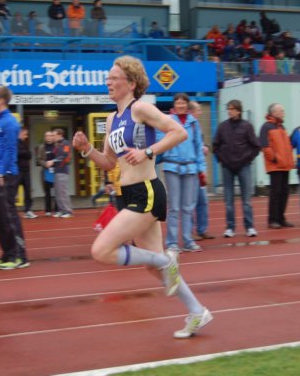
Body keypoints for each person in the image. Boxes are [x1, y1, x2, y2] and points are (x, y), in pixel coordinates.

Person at [72, 55, 212, 338]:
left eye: (114, 78)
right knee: (153, 267)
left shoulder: (141, 108)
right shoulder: (111, 119)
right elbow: (109, 163)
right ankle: (198, 311)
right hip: (126, 193)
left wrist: (148, 151)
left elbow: (178, 132)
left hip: (146, 191)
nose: (108, 82)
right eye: (108, 78)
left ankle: (167, 260)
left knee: (101, 250)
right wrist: (86, 149)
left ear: (131, 83)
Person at [0, 86, 29, 270]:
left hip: (6, 174)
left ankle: (20, 256)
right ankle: (7, 253)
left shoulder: (10, 122)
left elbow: (11, 150)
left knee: (8, 215)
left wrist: (3, 172)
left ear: (1, 100)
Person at [160, 93, 206, 253]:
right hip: (172, 167)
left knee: (188, 207)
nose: (180, 106)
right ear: (174, 105)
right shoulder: (167, 121)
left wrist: (202, 169)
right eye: (178, 103)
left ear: (187, 105)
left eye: (183, 103)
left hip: (190, 169)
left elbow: (198, 146)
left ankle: (188, 240)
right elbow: (160, 141)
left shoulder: (194, 123)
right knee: (174, 207)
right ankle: (172, 242)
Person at [212, 100, 260, 238]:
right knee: (228, 200)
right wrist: (222, 160)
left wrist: (247, 159)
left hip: (244, 166)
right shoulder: (222, 126)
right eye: (228, 109)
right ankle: (230, 227)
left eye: (232, 109)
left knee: (247, 200)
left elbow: (256, 146)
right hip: (227, 167)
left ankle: (249, 227)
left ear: (239, 111)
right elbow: (215, 145)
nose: (229, 111)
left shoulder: (247, 126)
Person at [259, 103, 295, 229]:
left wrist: (289, 160)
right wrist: (275, 158)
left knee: (284, 192)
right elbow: (265, 146)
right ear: (273, 113)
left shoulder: (281, 127)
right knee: (276, 193)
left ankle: (281, 218)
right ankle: (272, 219)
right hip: (275, 166)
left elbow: (287, 146)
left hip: (285, 165)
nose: (283, 112)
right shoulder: (266, 127)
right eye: (281, 110)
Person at [189, 101, 213, 241]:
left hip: (199, 169)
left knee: (202, 200)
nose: (201, 112)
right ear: (192, 111)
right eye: (198, 110)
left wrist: (205, 147)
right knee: (190, 203)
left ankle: (202, 229)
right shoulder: (186, 126)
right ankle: (189, 232)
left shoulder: (197, 126)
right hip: (190, 169)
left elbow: (200, 144)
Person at [47, 128, 73, 218]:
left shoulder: (65, 143)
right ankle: (61, 210)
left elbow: (64, 156)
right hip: (57, 171)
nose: (52, 137)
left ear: (60, 135)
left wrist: (52, 161)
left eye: (54, 135)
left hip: (63, 171)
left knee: (63, 192)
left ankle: (68, 211)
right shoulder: (57, 145)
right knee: (57, 192)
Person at [36, 131, 57, 216]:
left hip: (55, 171)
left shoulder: (57, 146)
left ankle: (57, 209)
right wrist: (45, 164)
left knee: (56, 191)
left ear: (52, 137)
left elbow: (60, 157)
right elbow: (38, 159)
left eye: (50, 135)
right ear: (45, 137)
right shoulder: (41, 147)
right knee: (47, 191)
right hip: (46, 171)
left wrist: (53, 162)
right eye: (47, 136)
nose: (48, 137)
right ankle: (48, 210)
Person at [18, 127, 36, 219]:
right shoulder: (14, 142)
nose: (26, 136)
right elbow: (18, 153)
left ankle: (28, 210)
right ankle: (9, 210)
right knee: (13, 191)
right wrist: (25, 153)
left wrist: (25, 153)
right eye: (25, 134)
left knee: (28, 191)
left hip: (26, 171)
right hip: (17, 171)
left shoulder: (24, 143)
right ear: (20, 133)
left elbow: (30, 155)